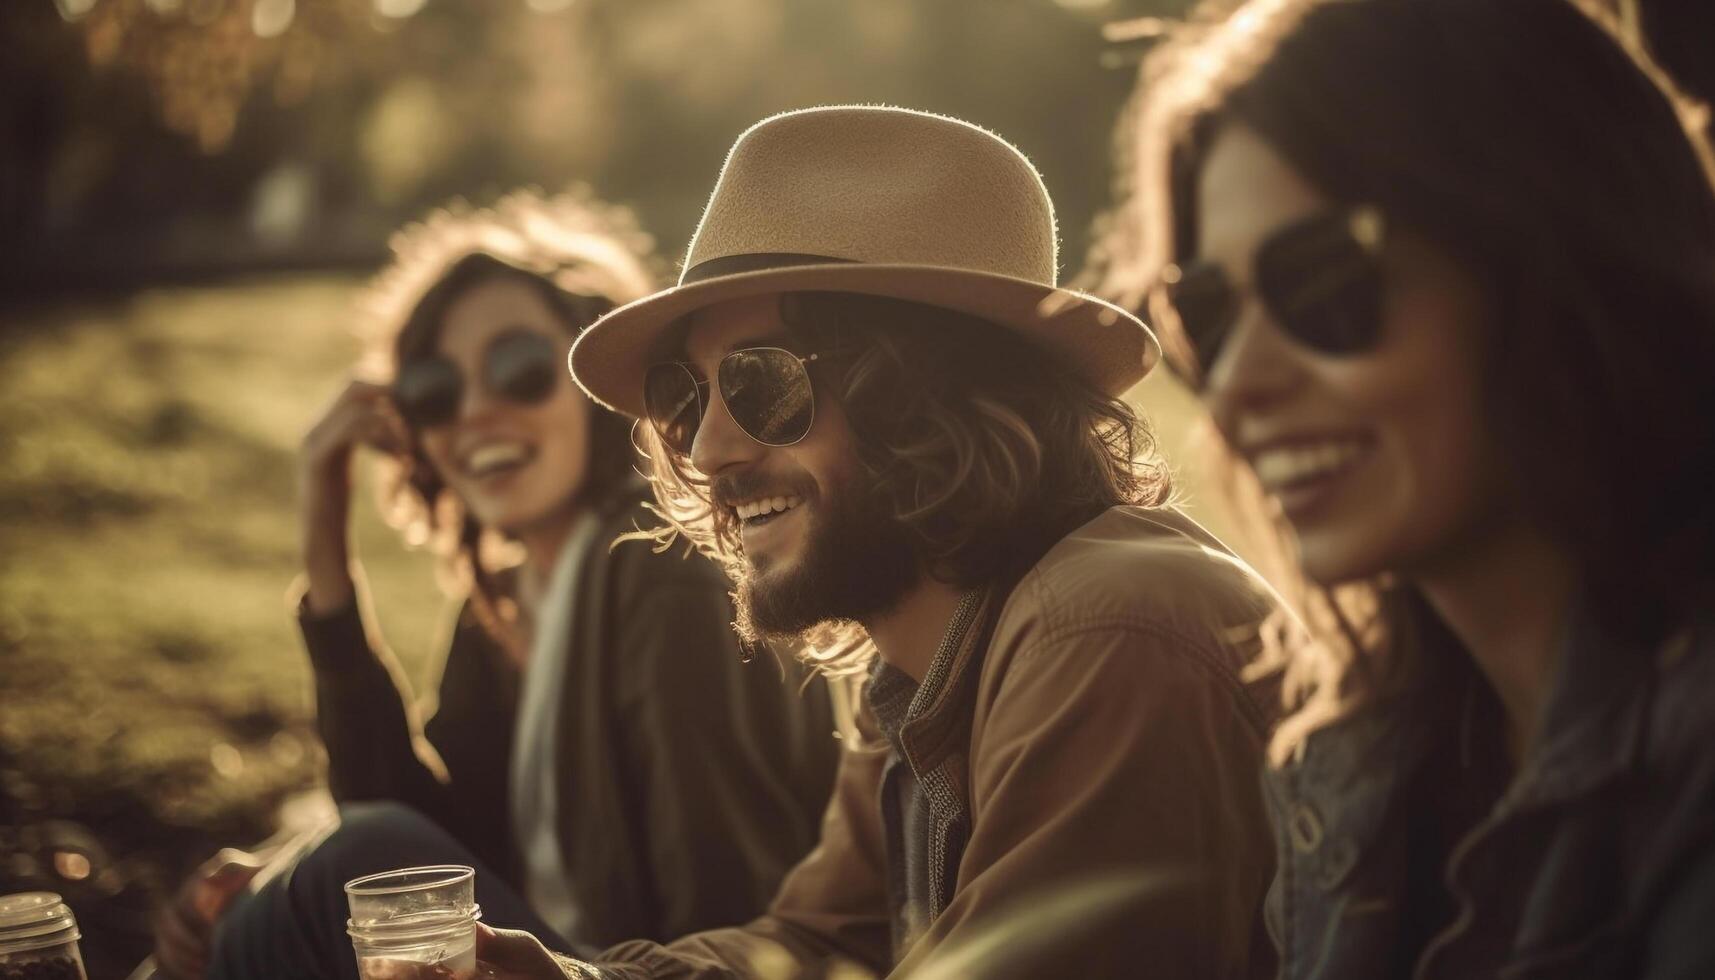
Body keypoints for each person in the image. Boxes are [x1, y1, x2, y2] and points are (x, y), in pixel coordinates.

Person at [471, 105, 1282, 980]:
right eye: (684, 397)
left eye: (761, 383)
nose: (708, 449)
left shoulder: (1104, 634)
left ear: (930, 390)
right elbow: (822, 945)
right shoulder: (918, 653)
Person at [1101, 0, 1715, 976]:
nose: (1234, 381)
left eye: (1322, 281)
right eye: (1204, 311)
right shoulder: (1343, 760)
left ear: (1554, 255)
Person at [149, 189, 839, 980]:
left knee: (342, 860)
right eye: (434, 391)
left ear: (601, 385)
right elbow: (421, 844)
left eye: (518, 368)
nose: (475, 411)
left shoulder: (664, 575)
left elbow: (725, 904)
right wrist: (327, 555)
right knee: (297, 877)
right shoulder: (508, 603)